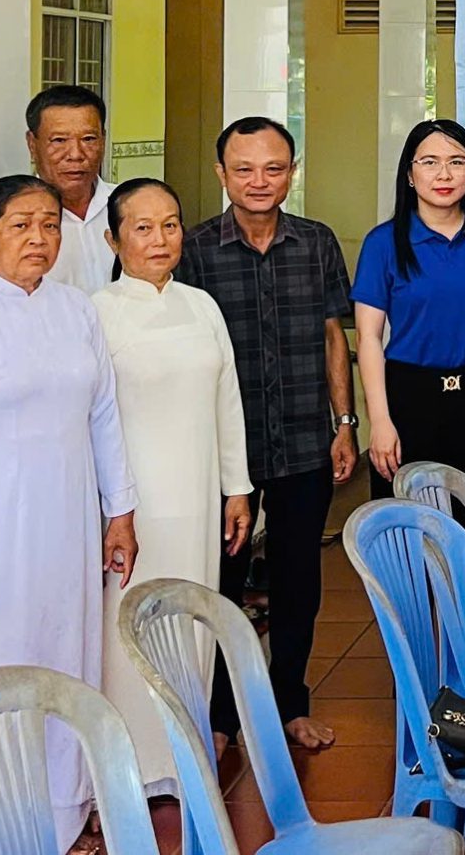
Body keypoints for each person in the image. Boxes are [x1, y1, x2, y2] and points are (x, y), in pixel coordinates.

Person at [0, 175, 138, 852]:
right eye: (19, 225)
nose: (38, 238)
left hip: (67, 526)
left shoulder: (77, 311)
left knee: (64, 657)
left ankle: (64, 813)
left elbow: (104, 415)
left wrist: (119, 511)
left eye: (49, 224)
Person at [179, 116, 355, 752]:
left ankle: (289, 704)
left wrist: (344, 422)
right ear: (221, 173)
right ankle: (223, 717)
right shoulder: (193, 249)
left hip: (307, 438)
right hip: (225, 451)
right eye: (245, 169)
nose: (260, 181)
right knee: (223, 582)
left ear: (292, 172)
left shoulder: (317, 242)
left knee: (298, 581)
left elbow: (335, 335)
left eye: (274, 168)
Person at [91, 177, 251, 799]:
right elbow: (95, 419)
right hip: (132, 505)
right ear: (113, 238)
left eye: (171, 224)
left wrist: (235, 488)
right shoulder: (97, 312)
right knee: (129, 625)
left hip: (197, 497)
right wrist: (114, 507)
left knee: (193, 618)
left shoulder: (200, 305)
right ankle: (133, 766)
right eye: (142, 227)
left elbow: (227, 399)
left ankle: (185, 761)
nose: (160, 239)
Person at [355, 118, 465, 503]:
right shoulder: (384, 243)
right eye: (429, 162)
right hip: (409, 396)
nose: (444, 173)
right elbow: (368, 337)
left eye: (457, 161)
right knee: (409, 526)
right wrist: (379, 421)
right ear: (410, 175)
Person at [29, 84, 115, 292]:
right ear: (32, 144)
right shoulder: (12, 220)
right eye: (59, 140)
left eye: (88, 139)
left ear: (103, 140)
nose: (75, 154)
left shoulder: (127, 206)